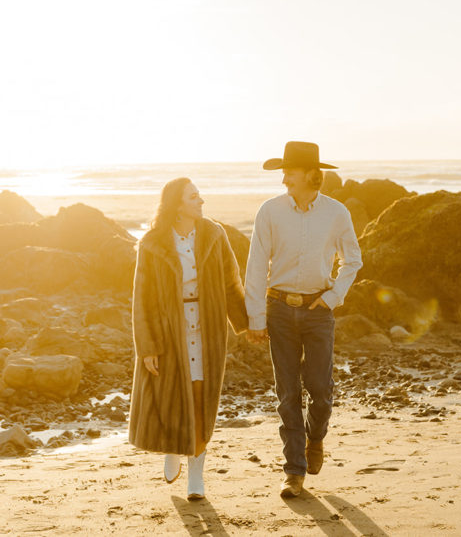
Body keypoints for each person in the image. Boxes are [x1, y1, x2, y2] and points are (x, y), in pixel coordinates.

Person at [244, 141, 362, 498]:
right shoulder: (269, 211)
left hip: (318, 312)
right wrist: (255, 317)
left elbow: (352, 260)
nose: (284, 180)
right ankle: (293, 471)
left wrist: (332, 297)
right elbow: (255, 266)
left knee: (321, 390)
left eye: (290, 173)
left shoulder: (337, 212)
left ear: (312, 175)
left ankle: (316, 438)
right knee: (288, 394)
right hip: (278, 310)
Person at [128, 177, 250, 501]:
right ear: (177, 205)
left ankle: (196, 470)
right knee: (172, 397)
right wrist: (148, 346)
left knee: (200, 398)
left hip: (206, 325)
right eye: (194, 197)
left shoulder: (214, 234)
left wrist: (248, 324)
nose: (201, 201)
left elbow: (231, 283)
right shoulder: (152, 242)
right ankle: (173, 446)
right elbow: (143, 298)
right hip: (169, 329)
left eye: (199, 195)